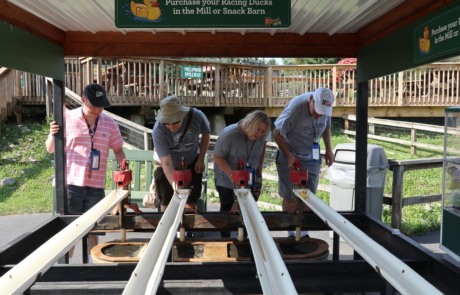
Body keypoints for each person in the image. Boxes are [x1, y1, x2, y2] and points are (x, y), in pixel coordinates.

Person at [46, 83, 126, 263]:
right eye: (94, 105)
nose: (98, 109)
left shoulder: (109, 123)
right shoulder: (67, 118)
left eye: (102, 105)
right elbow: (51, 149)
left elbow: (118, 150)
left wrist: (122, 171)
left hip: (96, 185)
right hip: (71, 183)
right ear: (83, 100)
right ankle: (66, 264)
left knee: (94, 228)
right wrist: (52, 135)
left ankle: (92, 263)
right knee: (70, 229)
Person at [273, 87, 335, 239]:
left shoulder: (326, 108)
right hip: (291, 154)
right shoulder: (295, 108)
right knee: (289, 195)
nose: (318, 115)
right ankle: (291, 233)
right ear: (310, 100)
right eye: (316, 111)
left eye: (322, 112)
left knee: (308, 195)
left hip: (311, 156)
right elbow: (276, 133)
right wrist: (288, 156)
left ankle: (304, 233)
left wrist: (328, 149)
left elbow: (326, 127)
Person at [149, 96, 211, 217]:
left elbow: (206, 134)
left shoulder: (197, 116)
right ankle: (167, 229)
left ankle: (187, 231)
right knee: (166, 199)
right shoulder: (158, 130)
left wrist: (201, 158)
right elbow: (166, 163)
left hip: (191, 160)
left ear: (182, 115)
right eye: (167, 122)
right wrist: (177, 190)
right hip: (167, 163)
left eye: (176, 121)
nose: (171, 126)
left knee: (190, 200)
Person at [213, 110, 270, 238]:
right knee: (227, 207)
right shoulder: (228, 134)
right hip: (226, 177)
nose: (259, 134)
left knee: (248, 207)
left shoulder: (262, 135)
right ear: (249, 124)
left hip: (249, 176)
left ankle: (245, 238)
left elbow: (263, 147)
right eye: (257, 130)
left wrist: (260, 165)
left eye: (262, 131)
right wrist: (231, 174)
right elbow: (217, 157)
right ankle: (225, 238)